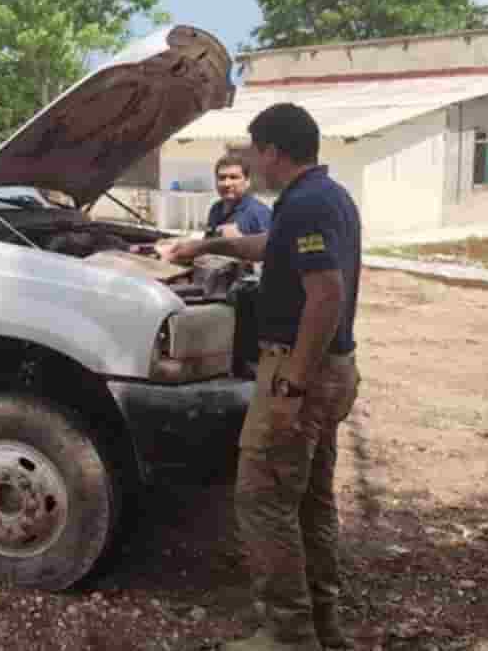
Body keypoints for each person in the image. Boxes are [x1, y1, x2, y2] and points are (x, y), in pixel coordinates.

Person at [157, 102, 362, 651]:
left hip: (301, 371)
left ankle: (287, 634)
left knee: (262, 498)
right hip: (335, 369)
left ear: (274, 151)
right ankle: (322, 624)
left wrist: (292, 382)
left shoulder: (307, 203)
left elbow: (326, 296)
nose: (253, 164)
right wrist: (208, 245)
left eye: (255, 153)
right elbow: (274, 249)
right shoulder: (325, 197)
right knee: (311, 499)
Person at [205, 155, 272, 239]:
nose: (227, 184)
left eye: (234, 177)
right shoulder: (215, 209)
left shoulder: (259, 213)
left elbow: (272, 249)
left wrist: (239, 239)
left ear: (247, 182)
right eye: (222, 178)